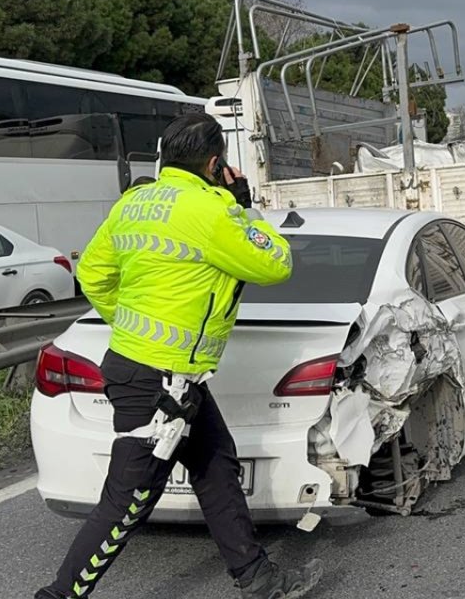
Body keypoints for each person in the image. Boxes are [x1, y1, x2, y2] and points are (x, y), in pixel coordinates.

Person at [36, 113, 322, 599]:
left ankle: (258, 578)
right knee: (126, 502)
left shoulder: (132, 205)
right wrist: (245, 209)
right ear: (215, 164)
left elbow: (96, 277)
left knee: (215, 465)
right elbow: (276, 263)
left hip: (155, 371)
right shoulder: (213, 211)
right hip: (159, 383)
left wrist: (134, 326)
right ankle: (58, 596)